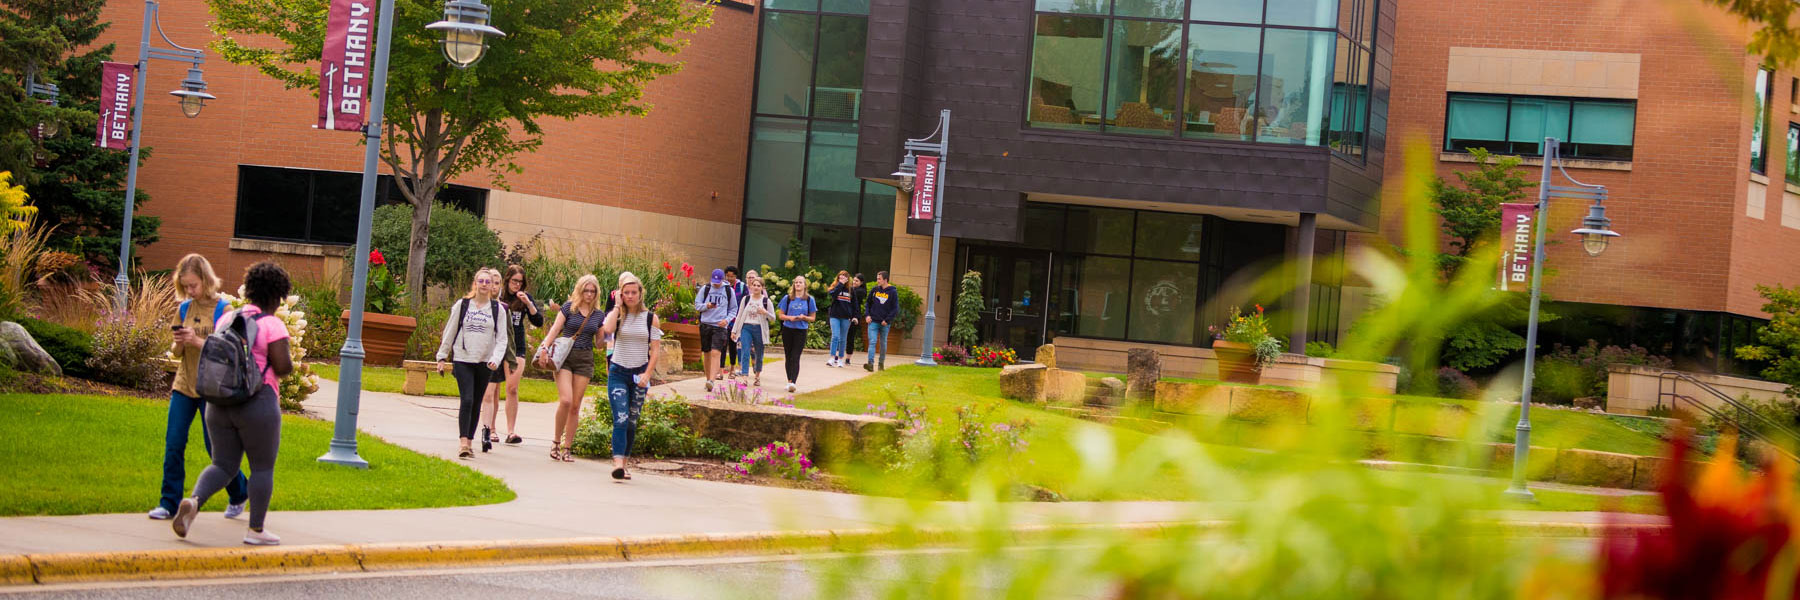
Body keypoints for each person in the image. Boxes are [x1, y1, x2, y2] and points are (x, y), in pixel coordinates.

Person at [171, 261, 293, 546]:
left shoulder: (226, 319)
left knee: (223, 464)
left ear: (250, 290)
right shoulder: (272, 324)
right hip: (257, 402)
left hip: (219, 402)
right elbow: (283, 366)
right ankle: (256, 531)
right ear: (277, 296)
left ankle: (194, 501)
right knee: (262, 467)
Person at [151, 254, 248, 521]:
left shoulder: (223, 311)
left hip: (212, 390)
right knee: (174, 444)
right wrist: (180, 342)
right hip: (184, 385)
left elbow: (229, 352)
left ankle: (240, 492)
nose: (190, 291)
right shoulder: (184, 309)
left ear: (206, 280)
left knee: (215, 451)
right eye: (186, 286)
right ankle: (168, 503)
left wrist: (196, 341)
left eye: (193, 285)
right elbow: (175, 352)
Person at [436, 268, 509, 459]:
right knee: (467, 399)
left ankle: (469, 441)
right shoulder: (462, 305)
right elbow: (450, 331)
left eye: (488, 282)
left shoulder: (497, 309)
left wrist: (495, 359)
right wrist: (442, 357)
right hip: (463, 358)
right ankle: (462, 442)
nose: (485, 285)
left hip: (484, 362)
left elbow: (502, 339)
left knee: (477, 402)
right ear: (475, 283)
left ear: (493, 286)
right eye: (481, 281)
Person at [599, 272, 662, 481]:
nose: (630, 296)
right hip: (618, 371)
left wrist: (647, 374)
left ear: (640, 293)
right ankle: (617, 463)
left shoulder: (651, 319)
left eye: (634, 292)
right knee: (621, 418)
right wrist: (617, 306)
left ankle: (624, 463)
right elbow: (606, 333)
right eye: (626, 293)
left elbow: (655, 350)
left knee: (632, 420)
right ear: (621, 294)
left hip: (639, 373)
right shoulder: (616, 316)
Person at [537, 274, 603, 462]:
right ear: (580, 290)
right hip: (564, 357)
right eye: (586, 290)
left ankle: (568, 447)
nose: (589, 294)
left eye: (593, 291)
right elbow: (554, 330)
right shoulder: (569, 308)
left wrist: (606, 335)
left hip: (584, 358)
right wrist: (544, 348)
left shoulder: (598, 315)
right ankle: (556, 442)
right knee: (565, 400)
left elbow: (599, 344)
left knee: (575, 405)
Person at [482, 265, 540, 446]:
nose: (517, 285)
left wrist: (529, 304)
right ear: (507, 280)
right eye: (514, 281)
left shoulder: (524, 298)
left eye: (521, 282)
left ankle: (511, 431)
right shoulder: (498, 296)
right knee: (492, 390)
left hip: (516, 347)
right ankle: (491, 429)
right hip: (496, 346)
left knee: (512, 388)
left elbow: (538, 321)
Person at [694, 268, 737, 391]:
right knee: (707, 353)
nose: (716, 284)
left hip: (720, 326)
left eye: (718, 282)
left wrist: (727, 320)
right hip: (706, 324)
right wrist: (706, 306)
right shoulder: (706, 289)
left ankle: (713, 379)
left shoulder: (728, 290)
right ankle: (708, 379)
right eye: (714, 282)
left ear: (722, 280)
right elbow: (697, 305)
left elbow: (734, 309)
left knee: (716, 352)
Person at [731, 276, 775, 387]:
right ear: (750, 286)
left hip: (759, 328)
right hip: (746, 327)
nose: (756, 287)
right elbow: (739, 315)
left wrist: (765, 312)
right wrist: (734, 331)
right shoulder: (746, 299)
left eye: (758, 285)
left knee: (759, 353)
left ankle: (757, 376)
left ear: (762, 288)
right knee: (745, 351)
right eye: (754, 285)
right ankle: (745, 377)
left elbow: (773, 318)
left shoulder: (766, 301)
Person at [776, 276, 817, 393]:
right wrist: (790, 318)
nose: (798, 284)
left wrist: (804, 317)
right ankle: (789, 381)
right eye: (796, 282)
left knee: (795, 356)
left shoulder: (809, 299)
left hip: (801, 330)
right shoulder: (787, 298)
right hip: (788, 329)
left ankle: (793, 382)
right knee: (788, 356)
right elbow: (781, 315)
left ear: (805, 285)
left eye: (800, 282)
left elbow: (813, 317)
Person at [864, 271, 899, 372]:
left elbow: (895, 308)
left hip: (884, 323)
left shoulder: (892, 292)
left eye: (879, 279)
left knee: (883, 343)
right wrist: (867, 315)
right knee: (872, 342)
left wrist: (887, 320)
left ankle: (881, 364)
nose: (877, 281)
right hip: (873, 321)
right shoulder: (875, 290)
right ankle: (870, 364)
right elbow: (868, 303)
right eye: (877, 278)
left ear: (885, 280)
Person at [825, 271, 856, 368]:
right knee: (835, 337)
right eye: (840, 277)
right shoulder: (834, 287)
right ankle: (832, 357)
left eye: (844, 277)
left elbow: (855, 305)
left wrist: (855, 316)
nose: (842, 279)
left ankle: (840, 359)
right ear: (838, 278)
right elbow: (833, 295)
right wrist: (840, 284)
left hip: (846, 317)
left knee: (843, 339)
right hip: (834, 315)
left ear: (847, 279)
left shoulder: (851, 290)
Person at [721, 266, 747, 380]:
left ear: (736, 276)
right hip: (723, 320)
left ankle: (732, 369)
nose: (730, 278)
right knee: (722, 345)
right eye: (728, 276)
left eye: (732, 276)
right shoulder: (722, 286)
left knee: (732, 346)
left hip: (735, 321)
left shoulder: (741, 287)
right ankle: (720, 370)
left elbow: (746, 302)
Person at [844, 273, 866, 365]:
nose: (854, 282)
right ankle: (838, 356)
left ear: (861, 283)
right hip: (845, 314)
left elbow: (850, 293)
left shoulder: (861, 291)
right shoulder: (851, 290)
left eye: (857, 281)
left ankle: (848, 358)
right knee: (841, 337)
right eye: (854, 280)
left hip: (854, 315)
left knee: (850, 337)